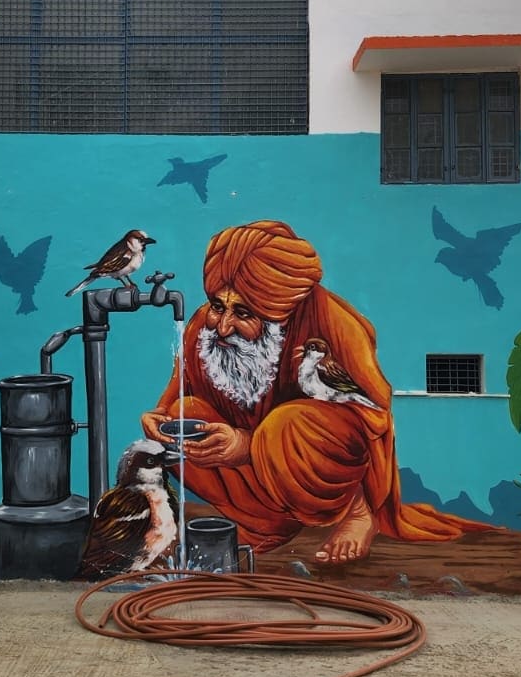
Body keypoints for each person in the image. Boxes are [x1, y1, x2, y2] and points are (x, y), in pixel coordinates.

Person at [141, 220, 481, 564]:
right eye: (217, 306)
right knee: (184, 416)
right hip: (255, 470)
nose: (223, 326)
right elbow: (174, 396)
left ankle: (357, 513)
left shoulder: (334, 322)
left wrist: (246, 445)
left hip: (313, 457)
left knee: (287, 425)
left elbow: (374, 414)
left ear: (279, 311)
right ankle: (263, 524)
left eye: (242, 312)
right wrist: (157, 420)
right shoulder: (204, 327)